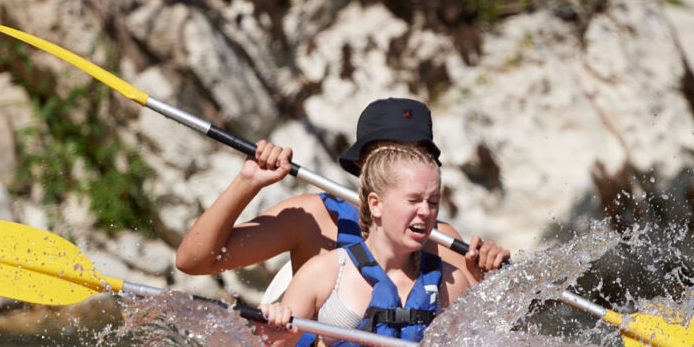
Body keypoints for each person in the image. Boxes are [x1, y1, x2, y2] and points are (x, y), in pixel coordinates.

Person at [174, 97, 509, 281]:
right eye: (388, 156)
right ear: (363, 165)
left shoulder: (445, 244)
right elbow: (193, 261)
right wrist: (247, 183)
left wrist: (489, 280)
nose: (402, 170)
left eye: (414, 156)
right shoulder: (311, 219)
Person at [255, 145, 474, 347]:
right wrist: (271, 332)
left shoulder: (450, 282)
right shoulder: (323, 272)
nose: (426, 212)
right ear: (376, 204)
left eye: (433, 202)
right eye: (413, 200)